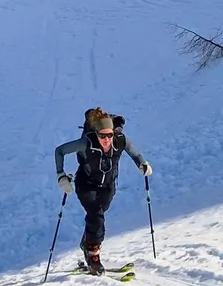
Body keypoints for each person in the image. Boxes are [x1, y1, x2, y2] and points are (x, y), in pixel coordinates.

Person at [54, 109, 151, 274]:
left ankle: (87, 241)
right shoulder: (86, 143)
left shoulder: (121, 141)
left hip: (108, 185)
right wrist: (61, 176)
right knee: (97, 215)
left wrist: (143, 164)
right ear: (96, 134)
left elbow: (135, 153)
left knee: (98, 214)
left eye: (109, 135)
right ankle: (93, 256)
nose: (106, 139)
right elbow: (60, 151)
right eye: (102, 136)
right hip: (86, 184)